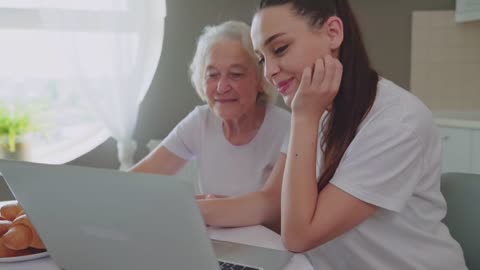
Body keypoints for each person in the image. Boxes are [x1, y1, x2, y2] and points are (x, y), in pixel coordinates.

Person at [250, 0, 467, 269]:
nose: (268, 72)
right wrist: (191, 211)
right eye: (261, 58)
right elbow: (273, 204)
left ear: (333, 33)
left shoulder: (397, 121)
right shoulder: (311, 108)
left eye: (280, 49)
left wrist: (304, 118)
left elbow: (299, 236)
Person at [131, 20, 290, 229]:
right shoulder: (201, 120)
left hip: (270, 248)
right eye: (212, 75)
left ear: (261, 79)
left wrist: (203, 207)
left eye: (236, 74)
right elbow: (135, 183)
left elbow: (274, 210)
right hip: (216, 244)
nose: (222, 87)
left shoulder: (288, 128)